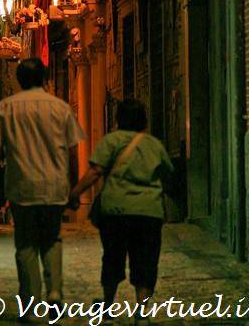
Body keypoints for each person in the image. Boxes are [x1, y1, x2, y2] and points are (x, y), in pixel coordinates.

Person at [0, 57, 85, 315]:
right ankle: (55, 292)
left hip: (21, 186)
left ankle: (30, 302)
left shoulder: (5, 108)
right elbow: (72, 151)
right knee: (52, 239)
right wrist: (74, 187)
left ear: (19, 80)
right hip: (54, 186)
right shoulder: (61, 108)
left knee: (26, 244)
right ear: (44, 79)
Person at [68, 98, 173, 326]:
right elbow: (168, 175)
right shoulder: (154, 145)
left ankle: (107, 306)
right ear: (143, 120)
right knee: (146, 260)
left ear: (118, 119)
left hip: (116, 212)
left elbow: (95, 171)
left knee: (112, 257)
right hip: (148, 212)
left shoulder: (110, 141)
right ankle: (141, 312)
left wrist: (74, 193)